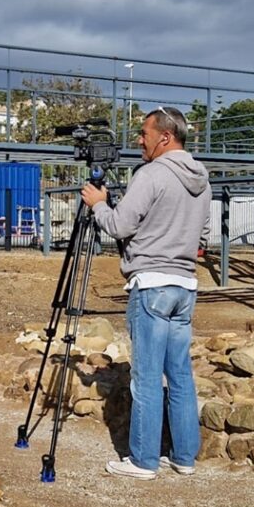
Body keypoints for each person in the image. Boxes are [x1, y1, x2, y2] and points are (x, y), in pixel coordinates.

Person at [81, 106, 211, 480]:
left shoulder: (151, 174)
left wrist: (98, 204)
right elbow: (202, 240)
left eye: (144, 133)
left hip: (151, 284)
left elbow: (120, 226)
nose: (140, 140)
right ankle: (184, 457)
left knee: (148, 377)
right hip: (185, 286)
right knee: (181, 375)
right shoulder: (202, 179)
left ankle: (143, 461)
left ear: (165, 137)